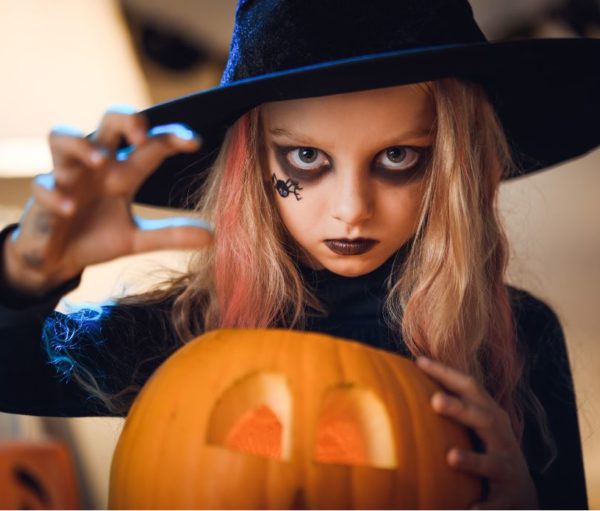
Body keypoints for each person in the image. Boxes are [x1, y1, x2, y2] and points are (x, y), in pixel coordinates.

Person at [1, 0, 598, 508]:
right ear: (254, 164)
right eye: (306, 159)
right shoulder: (184, 328)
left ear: (452, 165)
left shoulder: (518, 335)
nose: (350, 209)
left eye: (397, 158)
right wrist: (24, 275)